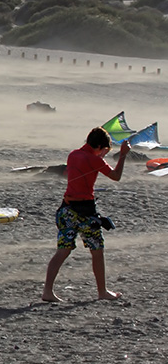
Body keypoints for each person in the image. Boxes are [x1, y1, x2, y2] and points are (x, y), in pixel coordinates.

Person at [41, 127, 130, 303]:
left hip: (66, 209)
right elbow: (116, 176)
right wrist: (123, 155)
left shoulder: (73, 155)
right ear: (98, 146)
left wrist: (99, 157)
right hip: (85, 213)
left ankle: (47, 291)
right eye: (103, 150)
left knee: (62, 250)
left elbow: (86, 164)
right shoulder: (94, 160)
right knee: (97, 249)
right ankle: (102, 291)